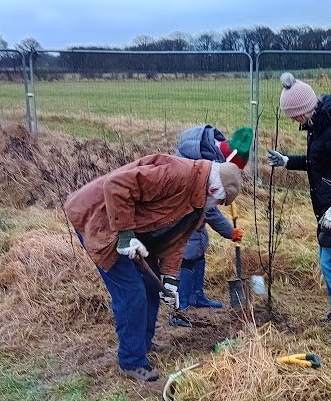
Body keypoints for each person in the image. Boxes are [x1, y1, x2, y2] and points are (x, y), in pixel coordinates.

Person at [64, 149, 242, 382]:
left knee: (151, 286)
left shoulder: (197, 203)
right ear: (214, 190)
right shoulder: (177, 174)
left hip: (134, 232)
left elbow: (176, 242)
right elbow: (116, 186)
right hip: (101, 219)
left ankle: (143, 343)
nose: (216, 205)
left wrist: (170, 281)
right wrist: (126, 235)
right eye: (219, 201)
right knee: (131, 292)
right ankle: (132, 361)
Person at [268, 72, 331, 341]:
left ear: (306, 109)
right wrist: (288, 161)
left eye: (294, 116)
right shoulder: (318, 126)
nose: (293, 121)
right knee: (328, 261)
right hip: (327, 209)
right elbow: (318, 162)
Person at [171, 125, 250, 315]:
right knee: (189, 252)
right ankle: (181, 304)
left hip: (191, 209)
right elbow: (210, 209)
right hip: (182, 209)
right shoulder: (204, 162)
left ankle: (197, 296)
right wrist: (229, 232)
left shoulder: (210, 152)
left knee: (198, 247)